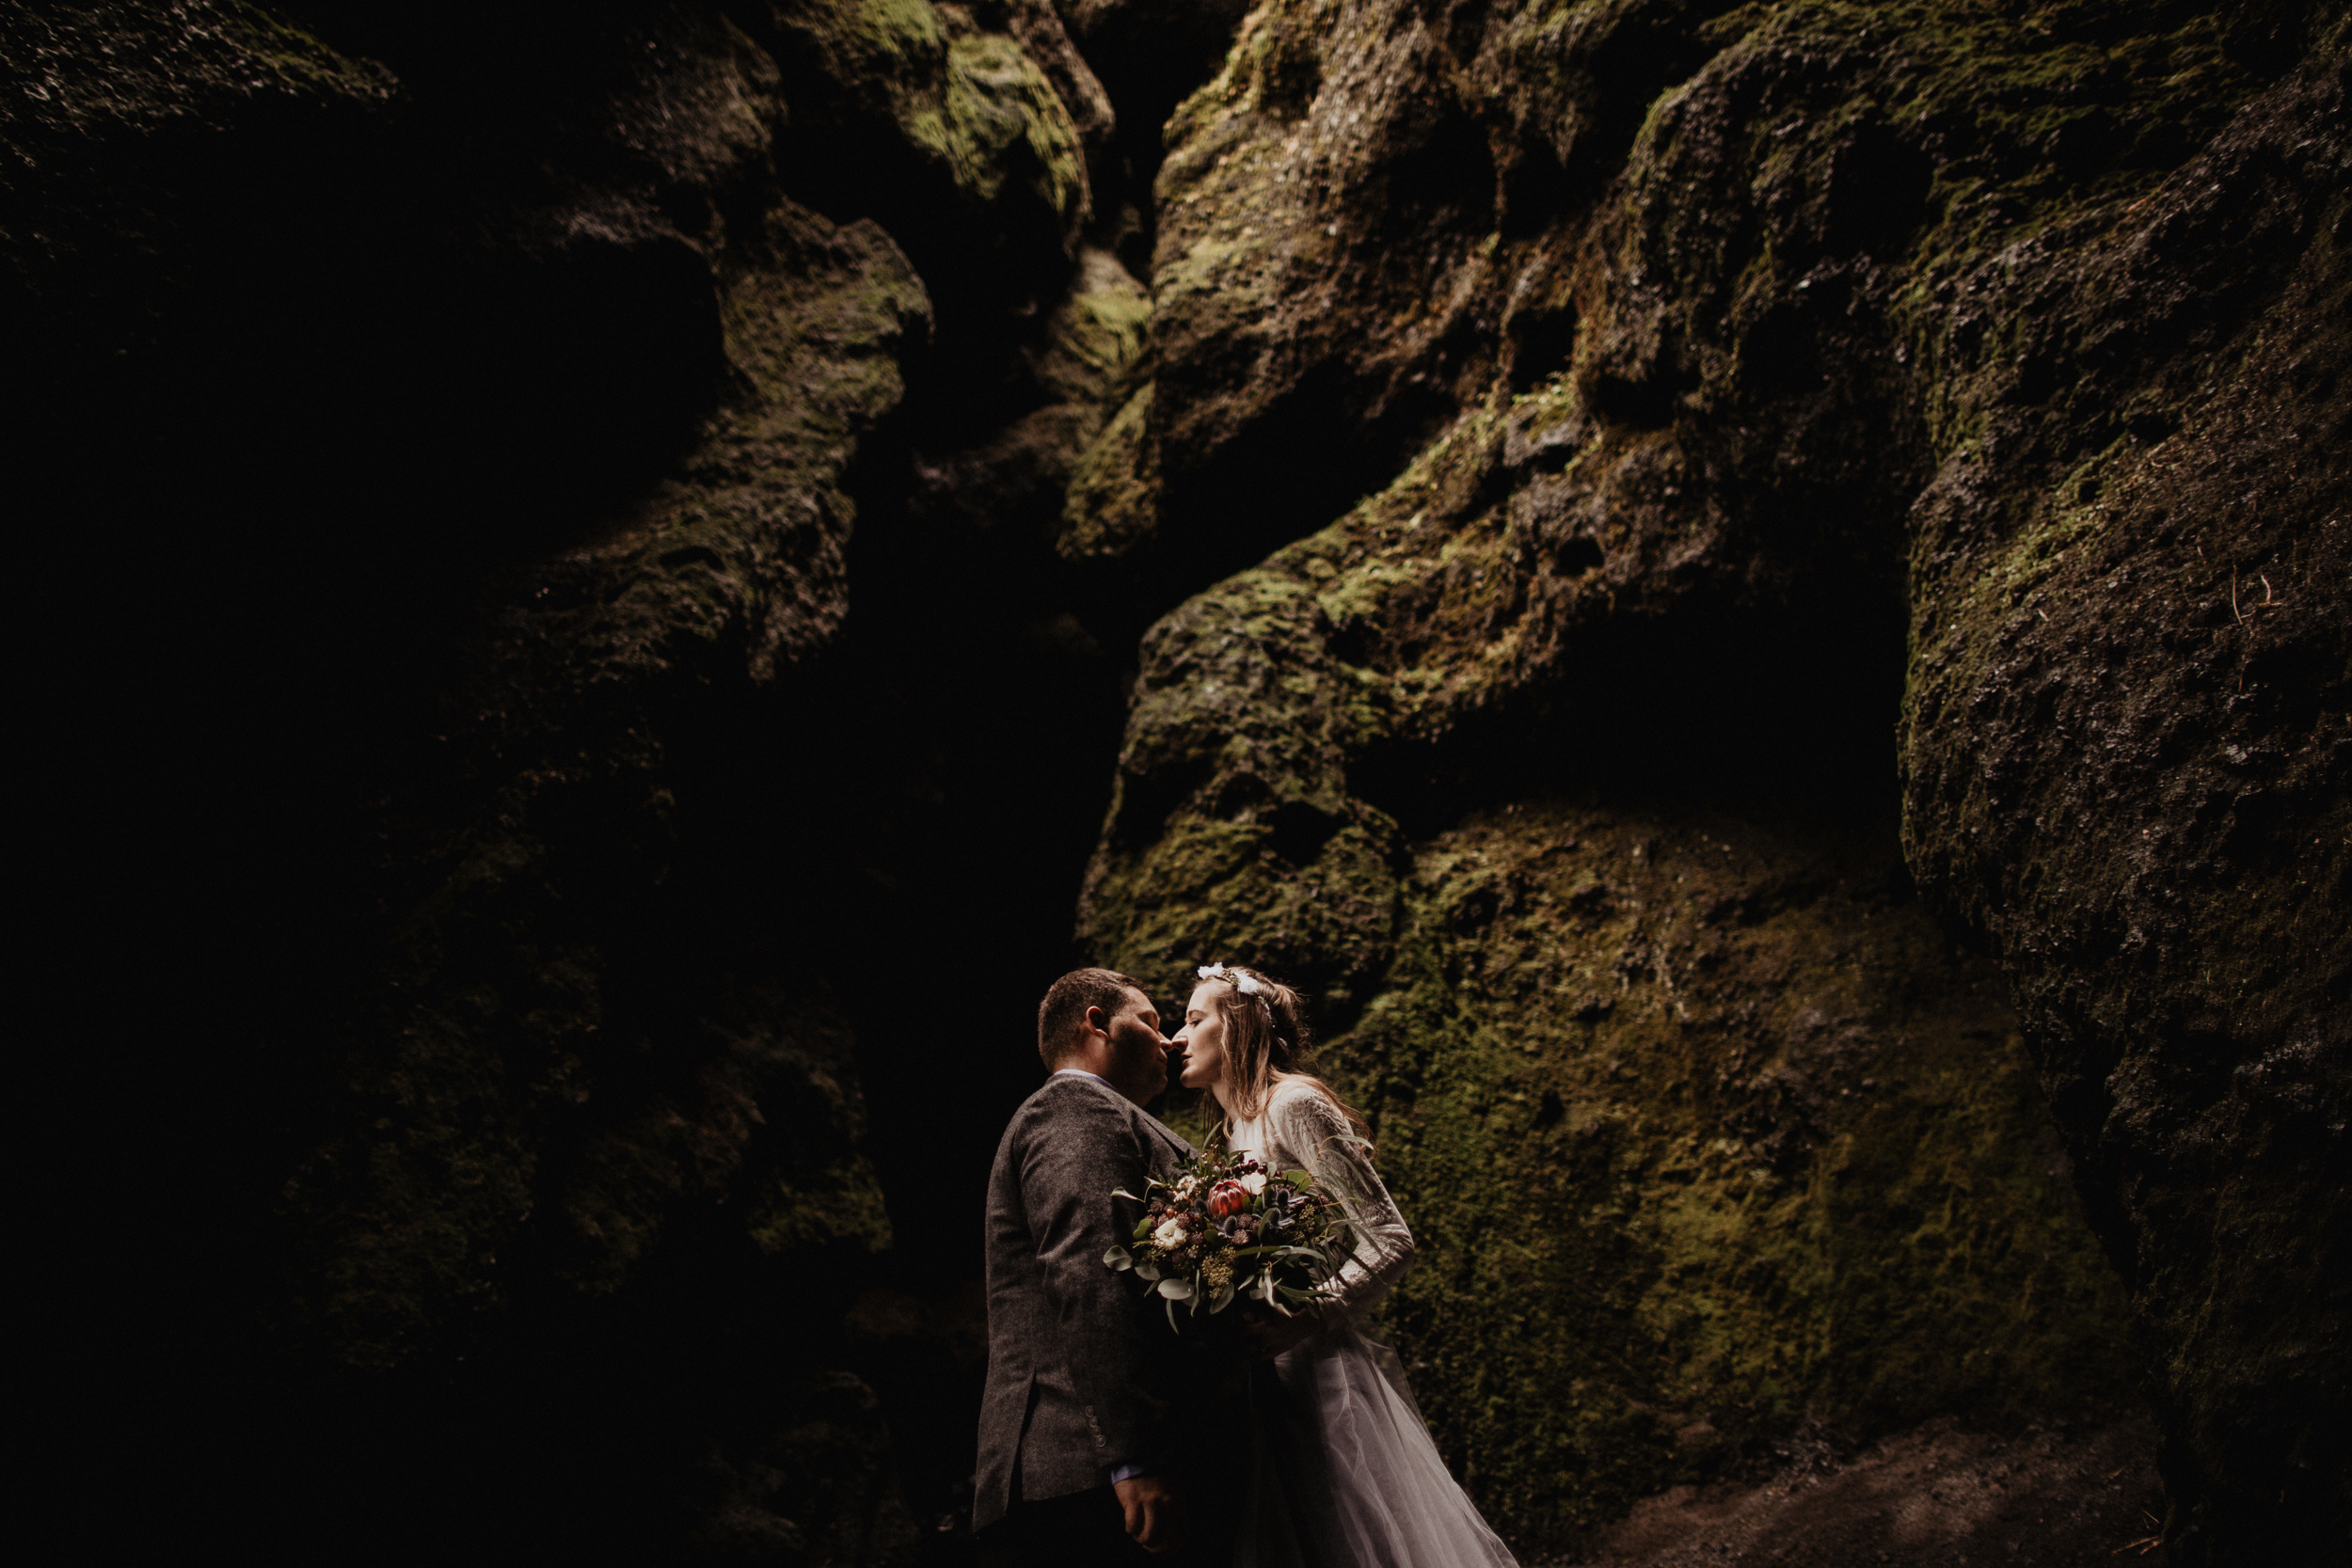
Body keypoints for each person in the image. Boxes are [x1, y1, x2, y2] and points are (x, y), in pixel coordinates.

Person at [1173, 962, 1520, 1568]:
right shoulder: (1232, 1133)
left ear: (1238, 1028)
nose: (1177, 1036)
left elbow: (1390, 1236)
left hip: (1318, 1364)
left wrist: (1311, 1314)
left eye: (1194, 1018)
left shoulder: (1294, 1103)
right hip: (1267, 1377)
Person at [975, 968, 1204, 1565]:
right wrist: (1136, 1457)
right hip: (1084, 1471)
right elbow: (1092, 1277)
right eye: (1150, 1022)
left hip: (1086, 1477)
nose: (1171, 1040)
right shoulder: (1077, 1107)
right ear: (1098, 1024)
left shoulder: (1095, 1114)